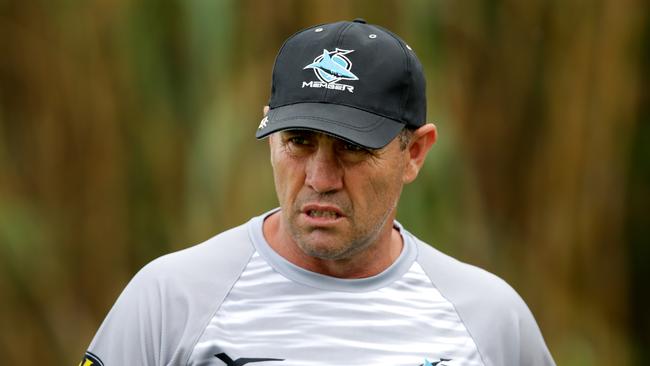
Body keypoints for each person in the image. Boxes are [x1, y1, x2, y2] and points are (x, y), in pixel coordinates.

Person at [80, 19, 555, 366]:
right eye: (299, 142)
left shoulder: (490, 319)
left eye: (352, 148)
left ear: (414, 153)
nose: (320, 178)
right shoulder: (170, 299)